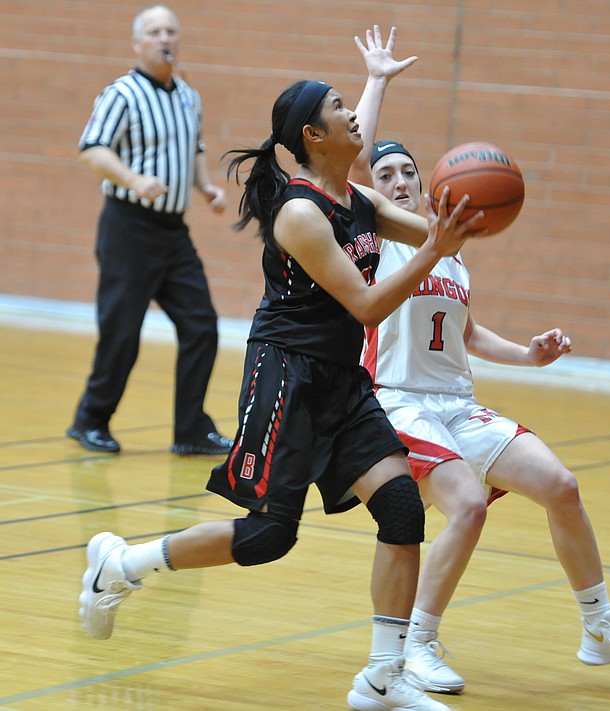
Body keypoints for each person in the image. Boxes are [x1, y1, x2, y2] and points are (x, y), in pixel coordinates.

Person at [78, 27, 483, 711]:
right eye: (337, 105)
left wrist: (469, 214)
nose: (351, 111)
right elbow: (365, 304)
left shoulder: (356, 199)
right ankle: (119, 565)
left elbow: (428, 226)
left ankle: (381, 678)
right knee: (268, 536)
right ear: (312, 135)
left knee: (400, 505)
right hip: (285, 377)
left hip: (340, 382)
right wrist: (433, 247)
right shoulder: (299, 213)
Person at [349, 43, 610, 695]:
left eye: (405, 173)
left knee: (562, 485)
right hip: (397, 402)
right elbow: (354, 154)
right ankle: (415, 645)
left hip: (455, 402)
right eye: (385, 176)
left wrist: (528, 354)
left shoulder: (449, 252)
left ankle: (599, 626)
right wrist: (375, 80)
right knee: (467, 507)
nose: (396, 182)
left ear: (426, 180)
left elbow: (464, 333)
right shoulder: (375, 235)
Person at [67, 4, 232, 456]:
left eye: (171, 31)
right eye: (155, 32)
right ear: (138, 43)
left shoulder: (187, 95)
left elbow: (194, 147)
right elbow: (92, 149)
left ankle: (190, 430)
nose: (165, 39)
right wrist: (133, 179)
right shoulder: (121, 93)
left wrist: (205, 188)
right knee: (122, 331)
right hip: (128, 227)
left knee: (202, 325)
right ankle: (90, 420)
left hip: (173, 232)